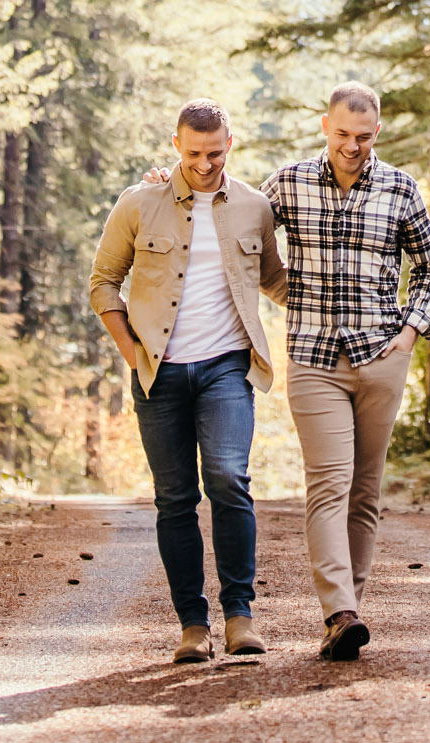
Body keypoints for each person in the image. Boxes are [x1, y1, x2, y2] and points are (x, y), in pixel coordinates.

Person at [88, 98, 287, 664]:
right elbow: (104, 283)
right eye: (195, 153)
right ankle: (192, 626)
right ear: (176, 145)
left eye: (216, 153)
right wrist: (131, 351)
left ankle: (239, 616)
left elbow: (274, 280)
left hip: (227, 365)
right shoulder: (138, 202)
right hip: (159, 373)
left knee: (228, 478)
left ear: (232, 144)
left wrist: (342, 299)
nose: (205, 164)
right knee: (174, 499)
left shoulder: (254, 206)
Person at [265, 82, 430, 662]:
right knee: (329, 483)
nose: (352, 146)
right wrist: (284, 292)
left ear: (378, 132)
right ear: (325, 126)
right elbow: (236, 226)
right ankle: (337, 608)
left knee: (365, 491)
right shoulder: (289, 183)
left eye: (363, 137)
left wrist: (411, 329)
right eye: (342, 134)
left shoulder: (398, 188)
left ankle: (350, 615)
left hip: (381, 357)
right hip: (314, 360)